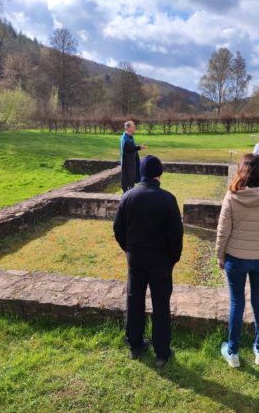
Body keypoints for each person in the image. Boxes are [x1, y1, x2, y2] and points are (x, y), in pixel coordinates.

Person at [113, 155, 183, 367]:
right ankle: (162, 352)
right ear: (159, 173)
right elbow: (176, 235)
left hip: (136, 259)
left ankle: (135, 345)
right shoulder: (167, 199)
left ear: (141, 173)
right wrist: (173, 258)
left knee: (134, 300)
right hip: (160, 261)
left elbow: (118, 229)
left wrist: (129, 249)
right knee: (161, 304)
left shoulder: (128, 197)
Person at [216, 154, 259, 368]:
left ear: (242, 171)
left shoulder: (232, 196)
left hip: (236, 258)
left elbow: (223, 231)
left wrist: (220, 255)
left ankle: (233, 352)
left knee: (237, 303)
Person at [120, 120, 147, 192]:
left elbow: (132, 146)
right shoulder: (125, 138)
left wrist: (138, 147)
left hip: (132, 162)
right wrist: (139, 147)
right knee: (128, 181)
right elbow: (129, 147)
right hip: (127, 163)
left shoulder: (130, 136)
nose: (135, 127)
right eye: (133, 126)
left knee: (132, 180)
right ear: (128, 128)